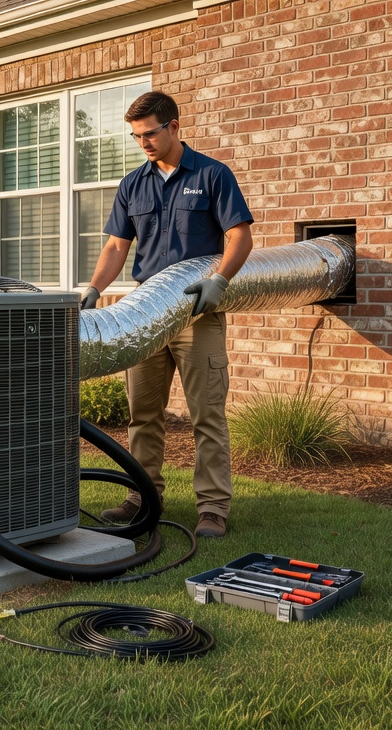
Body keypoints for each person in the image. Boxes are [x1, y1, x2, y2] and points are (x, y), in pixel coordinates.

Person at [80, 91, 252, 539]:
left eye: (150, 133)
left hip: (198, 312)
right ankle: (142, 497)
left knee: (206, 415)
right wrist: (94, 288)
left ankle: (212, 508)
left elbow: (239, 236)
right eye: (136, 137)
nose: (144, 143)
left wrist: (221, 280)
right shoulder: (133, 185)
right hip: (145, 317)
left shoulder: (212, 175)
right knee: (143, 414)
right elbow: (118, 245)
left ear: (174, 127)